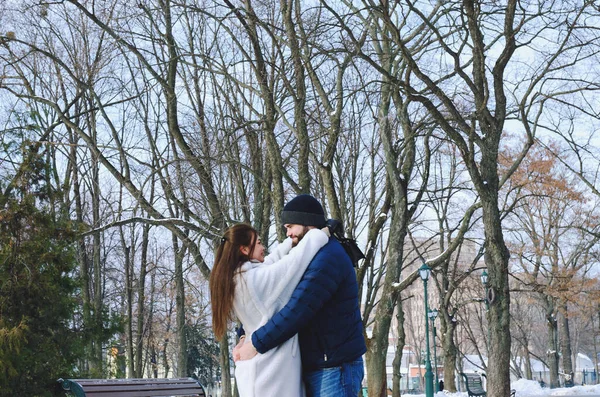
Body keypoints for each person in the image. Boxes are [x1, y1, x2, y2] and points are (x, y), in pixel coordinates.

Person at [235, 194, 367, 397]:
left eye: (290, 226)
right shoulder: (310, 255)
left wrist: (256, 344)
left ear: (308, 223)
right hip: (318, 364)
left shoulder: (328, 257)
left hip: (334, 367)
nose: (287, 233)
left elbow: (297, 309)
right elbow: (274, 299)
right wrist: (245, 333)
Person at [209, 222, 329, 397]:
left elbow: (274, 261)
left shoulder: (238, 277)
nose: (263, 246)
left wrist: (291, 241)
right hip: (270, 371)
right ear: (244, 249)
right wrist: (318, 233)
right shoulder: (254, 281)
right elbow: (293, 263)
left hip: (259, 368)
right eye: (258, 243)